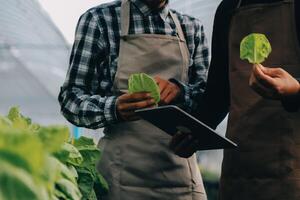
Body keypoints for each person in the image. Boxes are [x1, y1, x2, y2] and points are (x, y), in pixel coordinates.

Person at [58, 0, 210, 199]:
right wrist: (113, 108)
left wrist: (181, 92)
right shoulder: (100, 20)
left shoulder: (192, 28)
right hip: (120, 177)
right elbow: (71, 98)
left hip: (181, 177)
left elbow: (208, 100)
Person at [170, 0, 300, 199]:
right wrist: (193, 134)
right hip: (239, 169)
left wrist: (295, 90)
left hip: (292, 170)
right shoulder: (229, 8)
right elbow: (217, 96)